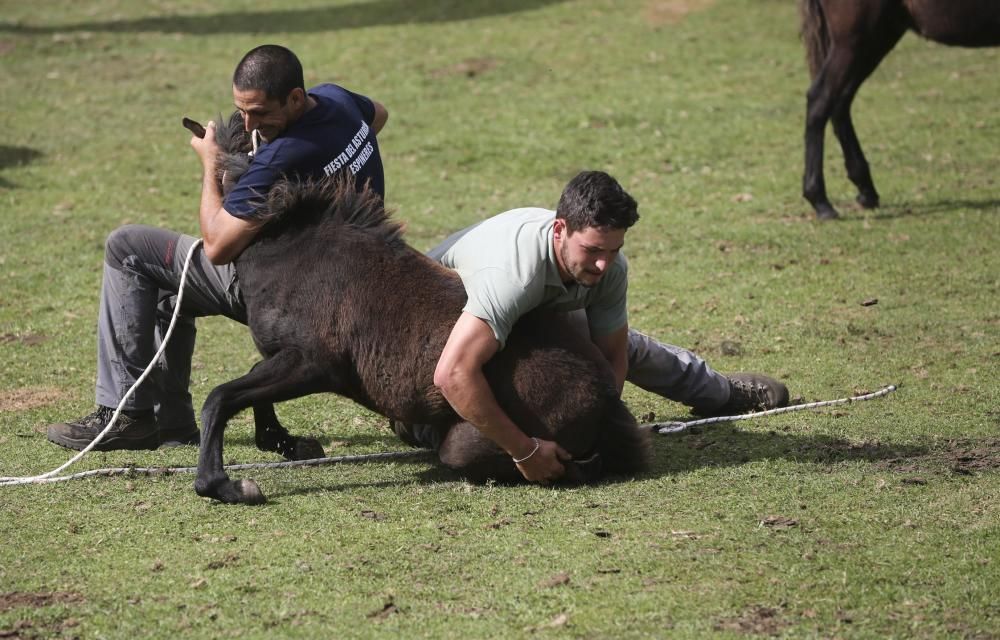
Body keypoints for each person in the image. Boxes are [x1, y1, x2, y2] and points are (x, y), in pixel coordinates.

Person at [47, 44, 388, 451]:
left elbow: (217, 247)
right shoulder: (337, 99)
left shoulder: (281, 157)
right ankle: (170, 423)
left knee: (128, 249)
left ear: (296, 98)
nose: (249, 124)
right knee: (164, 289)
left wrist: (211, 162)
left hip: (295, 298)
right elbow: (379, 114)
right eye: (241, 111)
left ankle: (125, 416)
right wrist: (331, 168)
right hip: (353, 280)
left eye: (260, 112)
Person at [398, 170, 788, 483]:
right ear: (559, 230)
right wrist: (526, 452)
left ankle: (721, 394)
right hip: (446, 317)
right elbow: (451, 372)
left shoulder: (608, 269)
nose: (603, 264)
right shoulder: (512, 277)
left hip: (533, 311)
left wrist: (597, 420)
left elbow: (613, 354)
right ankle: (421, 428)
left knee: (631, 347)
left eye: (613, 249)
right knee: (486, 368)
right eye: (592, 250)